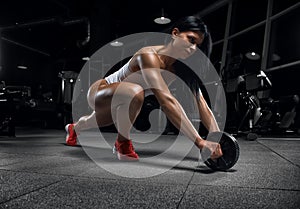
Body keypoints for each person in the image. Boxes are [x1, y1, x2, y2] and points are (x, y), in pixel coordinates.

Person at [65, 15, 223, 161]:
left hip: (126, 105)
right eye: (191, 40)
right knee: (135, 92)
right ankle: (122, 143)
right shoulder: (148, 56)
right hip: (101, 91)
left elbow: (200, 102)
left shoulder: (180, 68)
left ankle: (74, 128)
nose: (193, 49)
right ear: (175, 33)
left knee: (92, 122)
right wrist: (199, 141)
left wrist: (216, 138)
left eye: (198, 45)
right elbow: (166, 101)